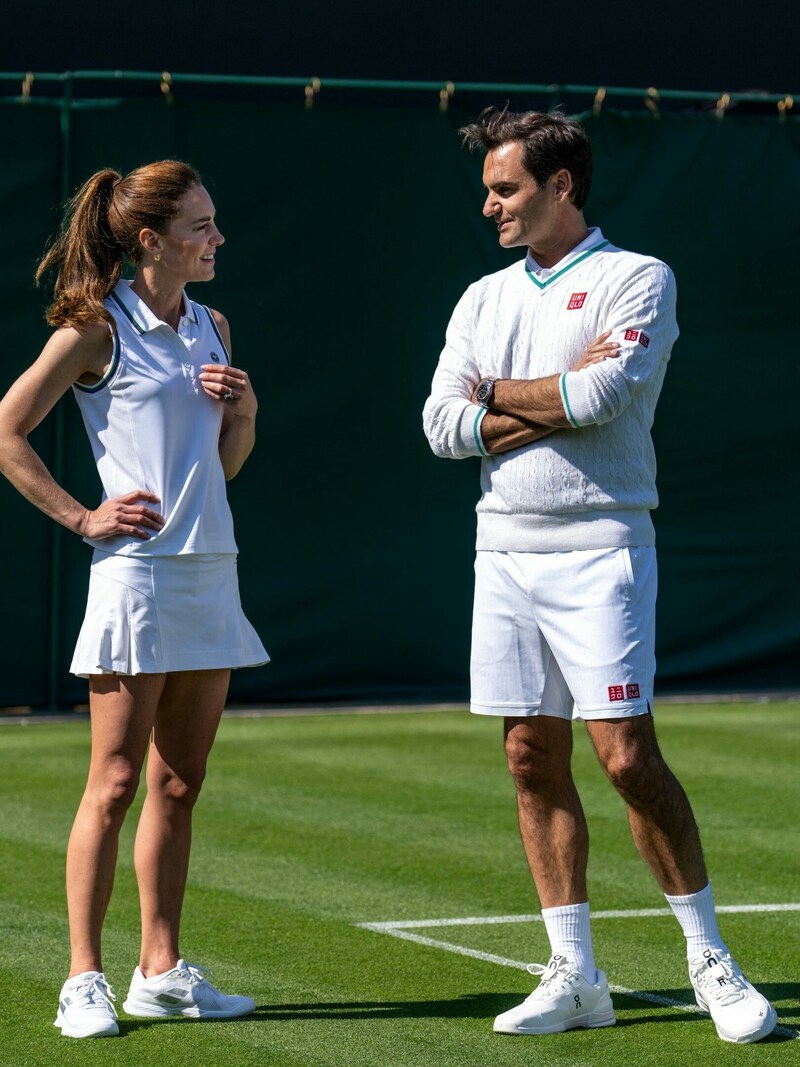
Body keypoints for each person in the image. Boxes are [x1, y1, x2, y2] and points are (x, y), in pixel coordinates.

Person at [422, 109, 776, 1045]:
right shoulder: (481, 298)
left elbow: (603, 396)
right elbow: (440, 427)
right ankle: (576, 974)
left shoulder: (637, 279)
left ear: (561, 187)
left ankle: (710, 960)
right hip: (501, 551)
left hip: (602, 548)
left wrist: (492, 392)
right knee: (530, 757)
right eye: (490, 189)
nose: (490, 204)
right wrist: (534, 397)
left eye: (506, 188)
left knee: (625, 755)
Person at [0, 161, 268, 1038]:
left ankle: (160, 967)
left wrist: (245, 415)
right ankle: (84, 976)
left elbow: (221, 468)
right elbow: (7, 430)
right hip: (137, 578)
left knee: (179, 782)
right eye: (201, 226)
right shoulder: (92, 330)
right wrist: (84, 516)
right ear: (150, 240)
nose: (216, 238)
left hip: (210, 570)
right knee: (113, 782)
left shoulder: (215, 326)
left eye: (214, 222)